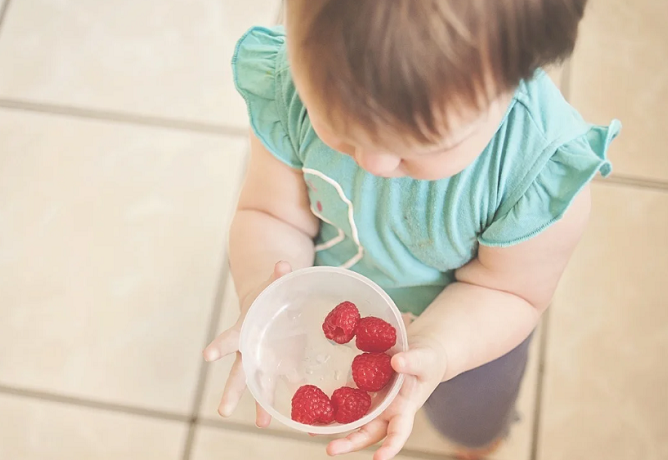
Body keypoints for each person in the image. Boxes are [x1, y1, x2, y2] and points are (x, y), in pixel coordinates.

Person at [203, 1, 620, 459]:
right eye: (340, 127)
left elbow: (511, 292)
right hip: (341, 291)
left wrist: (440, 348)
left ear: (516, 76)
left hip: (470, 327)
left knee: (471, 416)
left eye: (419, 147)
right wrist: (265, 297)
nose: (373, 163)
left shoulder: (536, 171)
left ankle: (478, 443)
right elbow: (272, 215)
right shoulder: (291, 89)